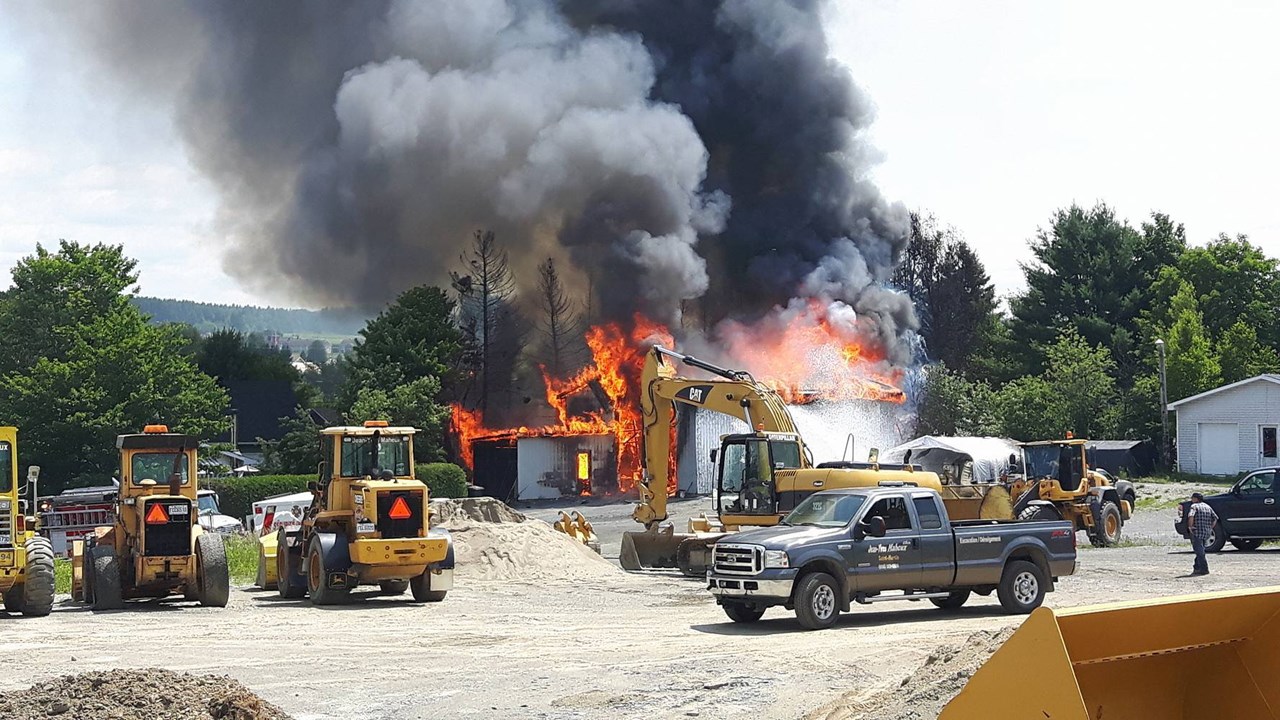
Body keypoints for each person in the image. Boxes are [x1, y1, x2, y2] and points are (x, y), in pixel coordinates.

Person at [1186, 492, 1218, 576]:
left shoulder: (1194, 506)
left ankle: (1204, 569)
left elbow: (1191, 516)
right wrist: (1210, 527)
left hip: (1197, 531)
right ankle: (1196, 567)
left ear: (1196, 499)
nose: (1191, 499)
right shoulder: (1208, 507)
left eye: (1192, 498)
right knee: (1201, 549)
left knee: (1199, 551)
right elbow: (1215, 518)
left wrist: (1190, 526)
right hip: (1206, 532)